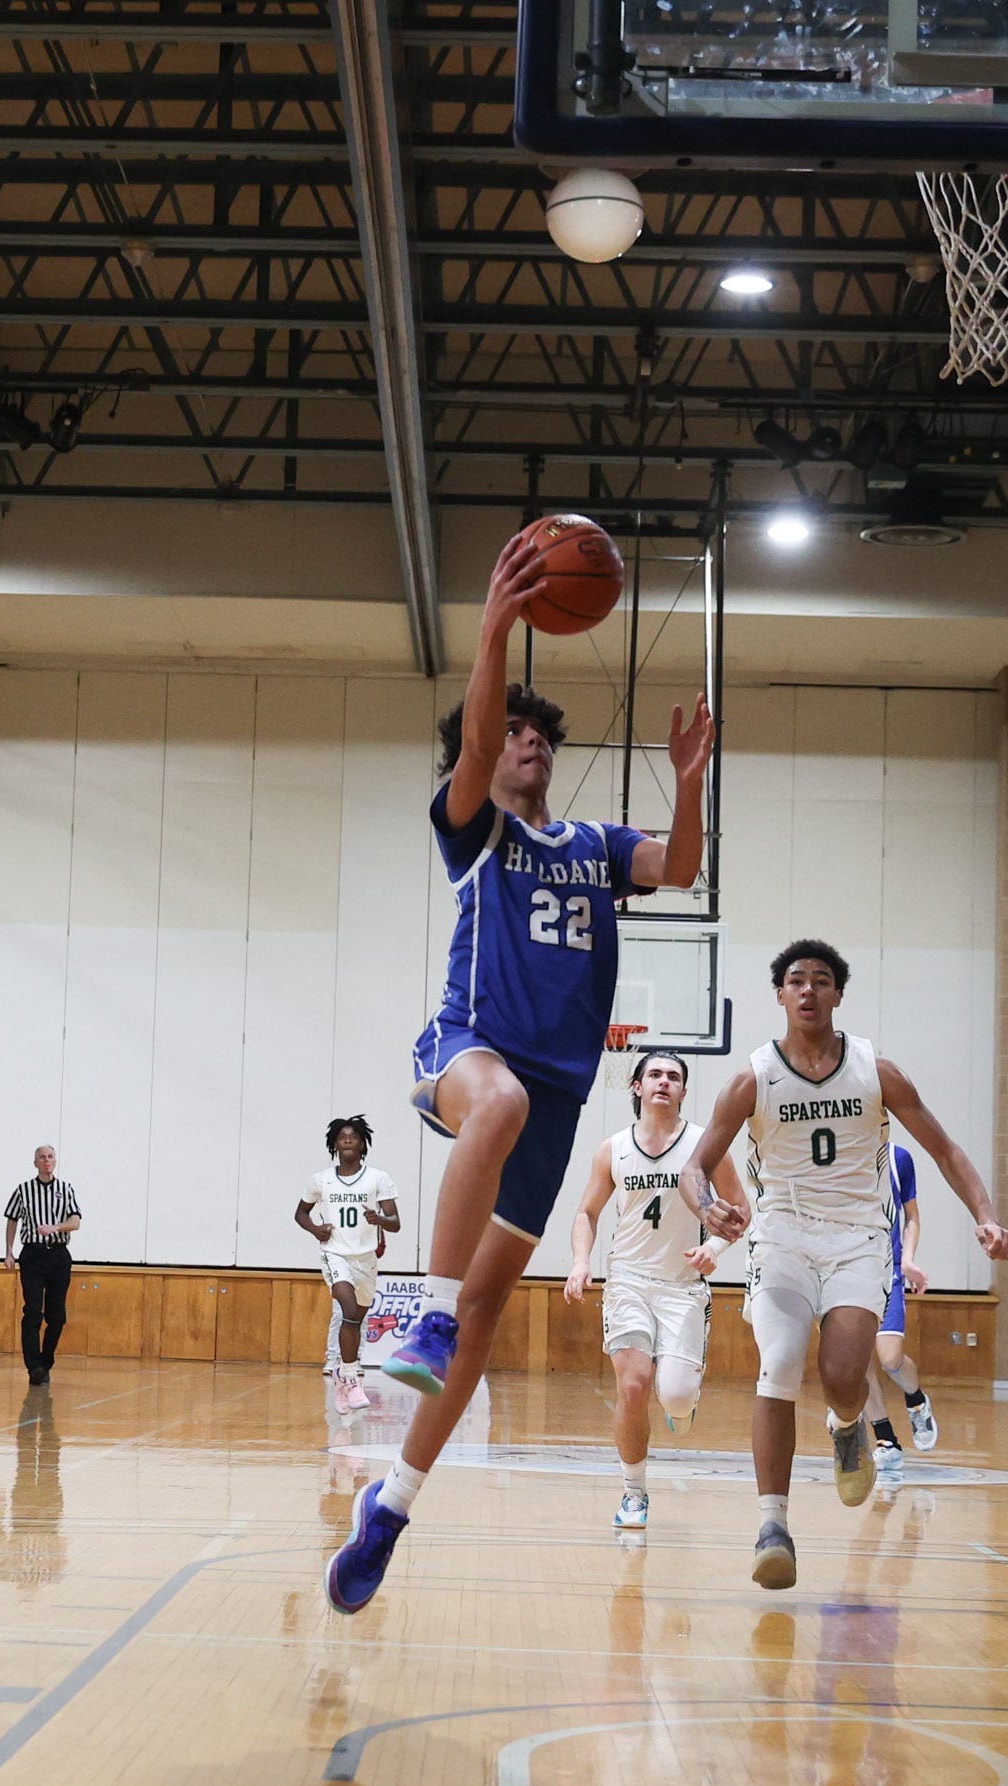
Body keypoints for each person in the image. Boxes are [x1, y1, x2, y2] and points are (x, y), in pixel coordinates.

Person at [325, 531, 714, 1617]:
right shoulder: (478, 829)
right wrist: (495, 625)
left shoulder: (593, 842)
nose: (532, 742)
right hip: (468, 1047)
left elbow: (680, 869)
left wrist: (688, 786)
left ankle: (391, 1507)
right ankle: (423, 1316)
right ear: (486, 756)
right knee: (489, 1107)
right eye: (517, 733)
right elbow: (480, 735)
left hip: (556, 1094)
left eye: (545, 733)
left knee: (495, 1313)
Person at [685, 938, 1008, 1590]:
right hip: (780, 1240)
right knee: (776, 1366)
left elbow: (944, 1148)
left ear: (838, 994)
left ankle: (844, 1424)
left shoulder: (875, 1070)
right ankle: (772, 1526)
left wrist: (985, 1212)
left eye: (822, 980)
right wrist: (709, 1205)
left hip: (859, 1242)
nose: (808, 990)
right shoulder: (753, 1077)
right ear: (780, 995)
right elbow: (694, 1168)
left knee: (843, 1377)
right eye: (796, 980)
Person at [560, 1049, 744, 1529]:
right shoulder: (613, 1148)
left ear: (683, 1091)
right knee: (634, 1384)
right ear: (637, 1087)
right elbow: (586, 1213)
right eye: (655, 1074)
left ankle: (682, 1404)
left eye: (674, 1077)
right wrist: (582, 1261)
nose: (664, 1081)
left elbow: (741, 1210)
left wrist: (716, 1251)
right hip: (628, 1282)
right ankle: (633, 1492)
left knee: (676, 1396)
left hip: (683, 1286)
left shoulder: (707, 1147)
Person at [298, 1115, 400, 1414]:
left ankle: (344, 1375)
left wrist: (380, 1219)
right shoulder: (321, 1180)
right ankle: (352, 1375)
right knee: (347, 1308)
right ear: (334, 1143)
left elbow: (395, 1223)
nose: (346, 1138)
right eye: (341, 1135)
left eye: (352, 1135)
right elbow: (301, 1213)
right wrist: (316, 1230)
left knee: (356, 1317)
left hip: (365, 1258)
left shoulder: (378, 1178)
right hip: (335, 1253)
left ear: (362, 1143)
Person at [869, 1139, 937, 1469]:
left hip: (887, 1270)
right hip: (840, 1271)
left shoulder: (898, 1158)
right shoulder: (832, 1148)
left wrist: (908, 1259)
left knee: (890, 1358)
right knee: (853, 1364)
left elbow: (911, 1217)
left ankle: (916, 1401)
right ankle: (886, 1439)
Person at [1, 1146, 81, 1386]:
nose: (47, 1161)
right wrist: (8, 1252)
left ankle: (46, 1361)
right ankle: (34, 1366)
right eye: (42, 1158)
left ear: (55, 1162)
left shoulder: (65, 1189)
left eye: (51, 1157)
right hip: (33, 1255)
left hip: (58, 1255)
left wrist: (55, 1227)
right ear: (35, 1162)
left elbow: (75, 1222)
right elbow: (12, 1220)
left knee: (57, 1317)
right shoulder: (23, 1190)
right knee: (33, 1312)